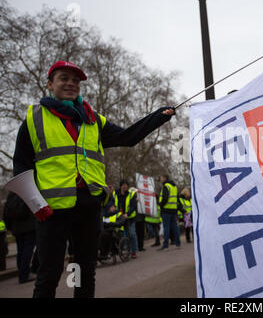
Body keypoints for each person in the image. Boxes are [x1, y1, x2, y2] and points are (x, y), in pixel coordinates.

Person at [12, 60, 175, 298]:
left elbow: (128, 137)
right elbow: (21, 167)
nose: (70, 83)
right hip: (51, 210)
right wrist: (36, 205)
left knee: (84, 270)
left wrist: (158, 117)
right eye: (64, 78)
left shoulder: (94, 120)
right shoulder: (33, 119)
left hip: (88, 206)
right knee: (49, 274)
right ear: (50, 84)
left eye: (75, 80)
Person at [3, 193, 39, 283]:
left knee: (20, 251)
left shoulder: (11, 193)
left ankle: (22, 274)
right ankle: (25, 274)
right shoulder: (26, 189)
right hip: (29, 226)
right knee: (28, 251)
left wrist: (9, 227)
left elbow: (6, 212)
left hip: (16, 228)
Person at [113, 180, 138, 259]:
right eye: (123, 185)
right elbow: (113, 204)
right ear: (121, 186)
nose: (125, 187)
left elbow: (133, 206)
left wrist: (127, 214)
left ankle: (134, 252)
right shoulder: (115, 194)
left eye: (126, 185)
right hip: (119, 217)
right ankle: (125, 250)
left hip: (129, 218)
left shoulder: (131, 194)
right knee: (120, 234)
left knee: (131, 234)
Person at [158, 175, 180, 250]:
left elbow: (165, 198)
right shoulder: (174, 186)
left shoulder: (166, 186)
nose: (160, 179)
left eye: (161, 178)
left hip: (166, 210)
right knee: (174, 227)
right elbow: (176, 198)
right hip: (173, 210)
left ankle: (165, 245)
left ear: (164, 178)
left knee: (166, 228)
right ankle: (177, 243)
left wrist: (160, 205)